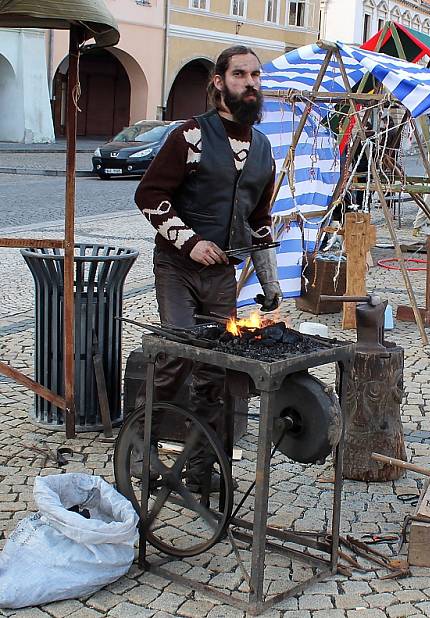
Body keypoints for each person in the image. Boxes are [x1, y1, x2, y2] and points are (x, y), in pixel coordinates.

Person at [134, 45, 281, 490]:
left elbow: (258, 221)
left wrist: (270, 284)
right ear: (219, 81)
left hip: (221, 276)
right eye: (240, 74)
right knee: (177, 354)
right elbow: (149, 197)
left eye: (255, 75)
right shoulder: (190, 135)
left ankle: (200, 467)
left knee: (215, 370)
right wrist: (191, 242)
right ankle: (140, 450)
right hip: (178, 267)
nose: (250, 83)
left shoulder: (262, 149)